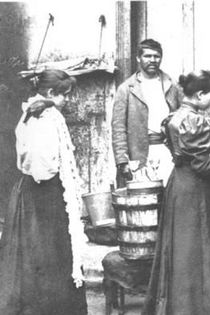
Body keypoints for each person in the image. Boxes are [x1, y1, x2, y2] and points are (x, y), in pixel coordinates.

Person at [142, 71, 210, 315]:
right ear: (199, 95)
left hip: (178, 187)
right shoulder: (196, 120)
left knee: (181, 249)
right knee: (200, 248)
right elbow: (201, 164)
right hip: (198, 191)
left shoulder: (173, 117)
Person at [0, 69, 87, 314]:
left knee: (37, 258)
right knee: (47, 256)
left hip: (30, 192)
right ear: (51, 93)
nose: (67, 100)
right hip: (44, 195)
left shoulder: (29, 111)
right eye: (65, 95)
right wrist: (55, 172)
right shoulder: (47, 117)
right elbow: (43, 164)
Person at [112, 38, 182, 187]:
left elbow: (183, 119)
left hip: (168, 152)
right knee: (145, 199)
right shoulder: (126, 89)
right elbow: (118, 129)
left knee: (170, 198)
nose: (152, 60)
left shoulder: (172, 85)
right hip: (139, 155)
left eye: (156, 56)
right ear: (138, 58)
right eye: (147, 56)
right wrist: (122, 161)